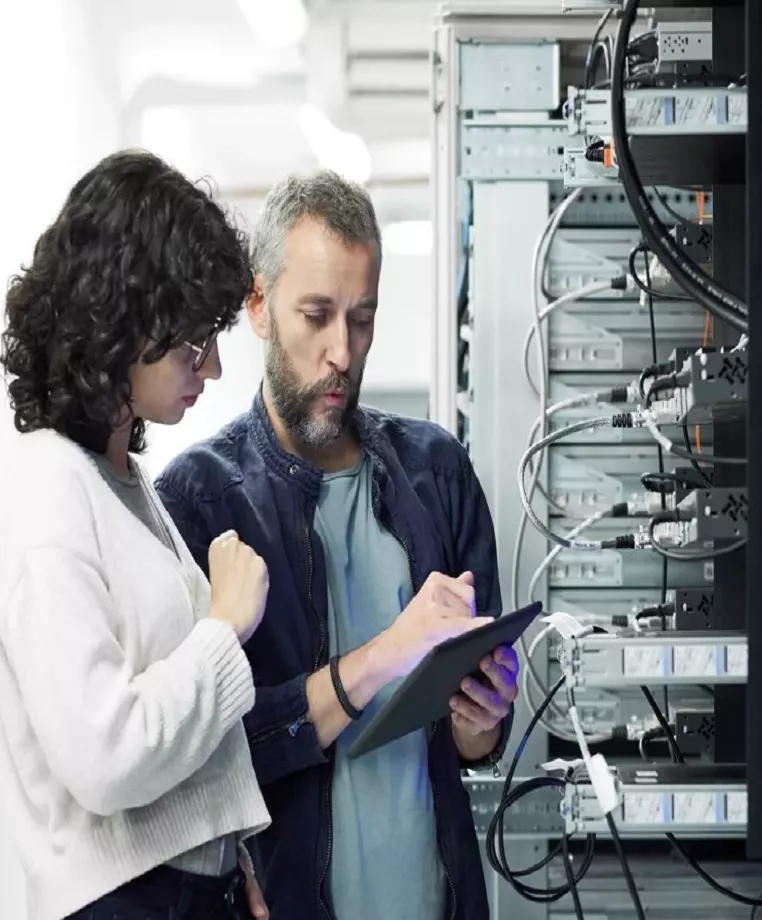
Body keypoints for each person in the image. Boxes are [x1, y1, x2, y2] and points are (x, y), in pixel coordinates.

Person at [155, 170, 519, 920]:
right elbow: (201, 766)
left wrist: (482, 722)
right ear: (258, 306)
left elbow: (477, 743)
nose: (342, 353)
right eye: (316, 315)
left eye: (362, 318)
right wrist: (386, 652)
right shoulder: (199, 500)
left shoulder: (436, 472)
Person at [0, 150, 275, 920]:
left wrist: (231, 864)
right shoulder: (46, 487)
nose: (209, 365)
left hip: (190, 895)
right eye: (188, 341)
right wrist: (223, 629)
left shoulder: (121, 477)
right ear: (119, 322)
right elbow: (104, 757)